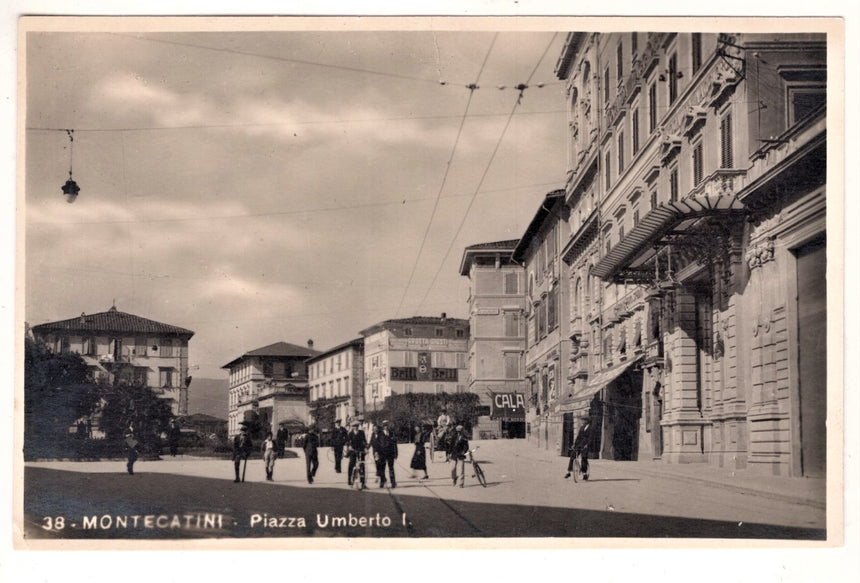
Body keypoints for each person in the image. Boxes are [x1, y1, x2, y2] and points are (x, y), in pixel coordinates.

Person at [565, 416, 592, 480]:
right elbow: (578, 437)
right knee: (572, 456)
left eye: (583, 420)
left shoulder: (591, 428)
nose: (582, 422)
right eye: (582, 420)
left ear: (586, 421)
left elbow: (591, 438)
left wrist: (587, 444)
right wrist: (574, 444)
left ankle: (584, 473)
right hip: (579, 444)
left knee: (584, 458)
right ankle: (568, 472)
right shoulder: (582, 428)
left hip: (586, 445)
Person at [372, 421, 398, 488]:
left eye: (387, 425)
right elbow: (376, 444)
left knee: (391, 468)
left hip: (390, 454)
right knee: (382, 469)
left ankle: (393, 482)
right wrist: (376, 452)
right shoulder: (380, 434)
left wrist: (396, 453)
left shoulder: (392, 433)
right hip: (382, 454)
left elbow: (395, 444)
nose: (386, 427)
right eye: (384, 426)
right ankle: (382, 481)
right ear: (383, 427)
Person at [346, 420, 368, 488]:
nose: (355, 427)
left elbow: (364, 441)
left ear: (358, 426)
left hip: (360, 451)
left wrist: (366, 448)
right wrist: (349, 447)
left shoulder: (362, 432)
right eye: (354, 426)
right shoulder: (350, 434)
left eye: (357, 426)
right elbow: (348, 442)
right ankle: (349, 480)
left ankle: (363, 483)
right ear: (352, 427)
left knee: (362, 466)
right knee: (351, 465)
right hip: (353, 451)